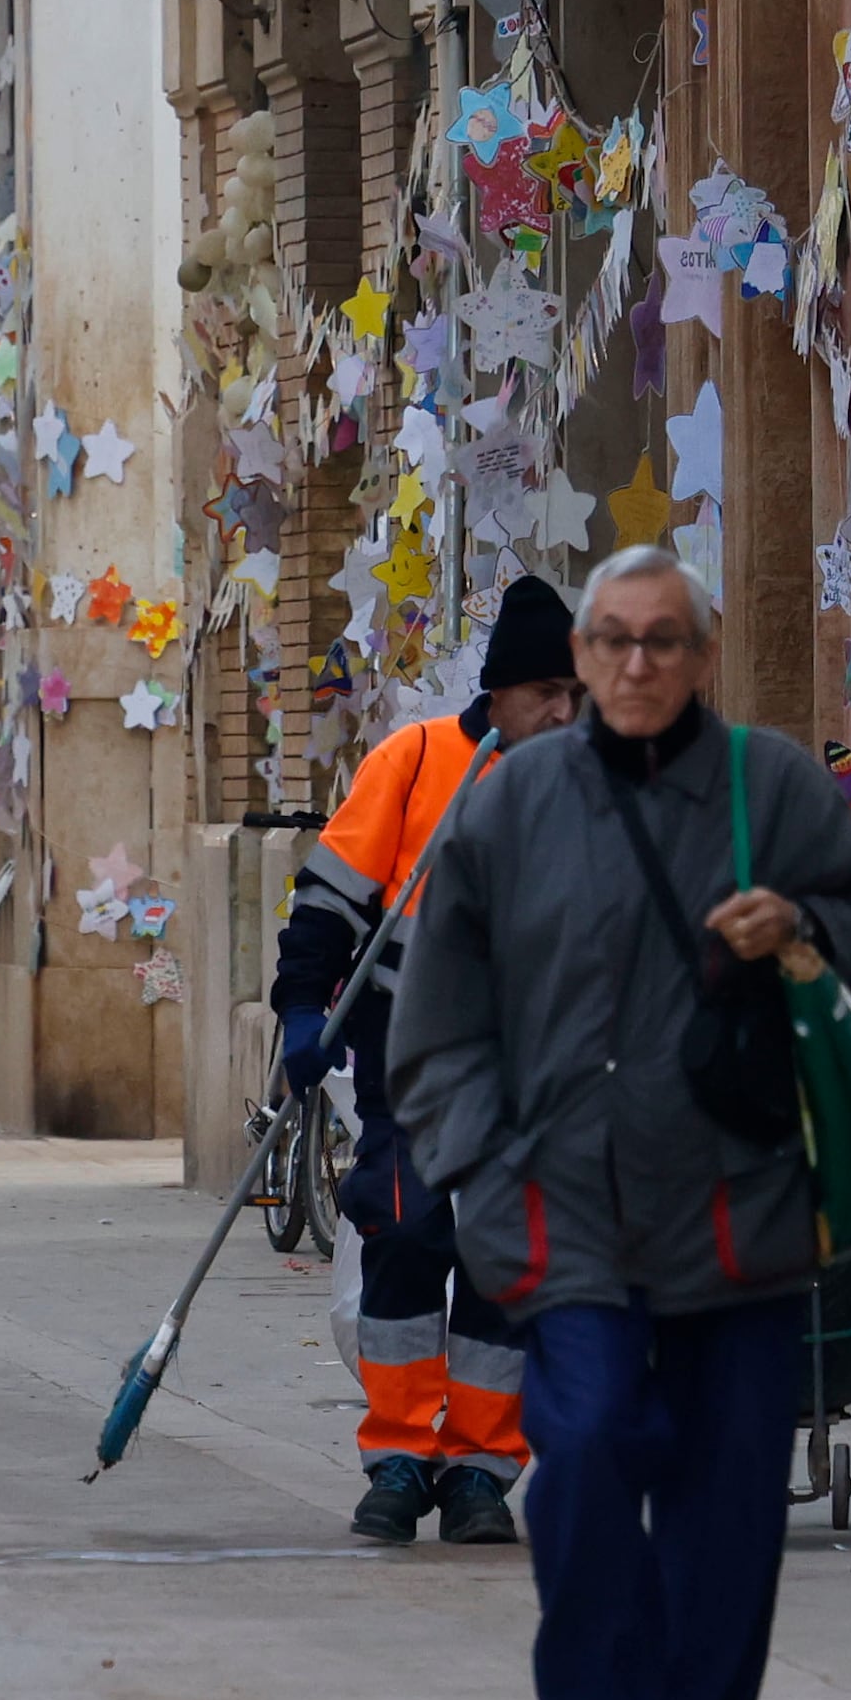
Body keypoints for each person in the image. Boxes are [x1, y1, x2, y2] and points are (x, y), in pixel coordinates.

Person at [389, 546, 851, 1700]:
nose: (638, 664)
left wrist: (795, 918)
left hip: (736, 1200)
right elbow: (437, 1013)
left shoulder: (770, 785)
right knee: (581, 1460)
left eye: (665, 641)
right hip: (561, 1204)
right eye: (614, 640)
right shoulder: (508, 804)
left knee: (730, 1492)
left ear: (704, 655)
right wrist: (477, 1162)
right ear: (577, 660)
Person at [268, 576, 581, 1544]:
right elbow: (327, 903)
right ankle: (399, 1453)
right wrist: (297, 1014)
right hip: (408, 1048)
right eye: (545, 696)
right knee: (403, 1235)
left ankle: (479, 1469)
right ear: (498, 693)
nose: (564, 712)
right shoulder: (411, 764)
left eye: (575, 695)